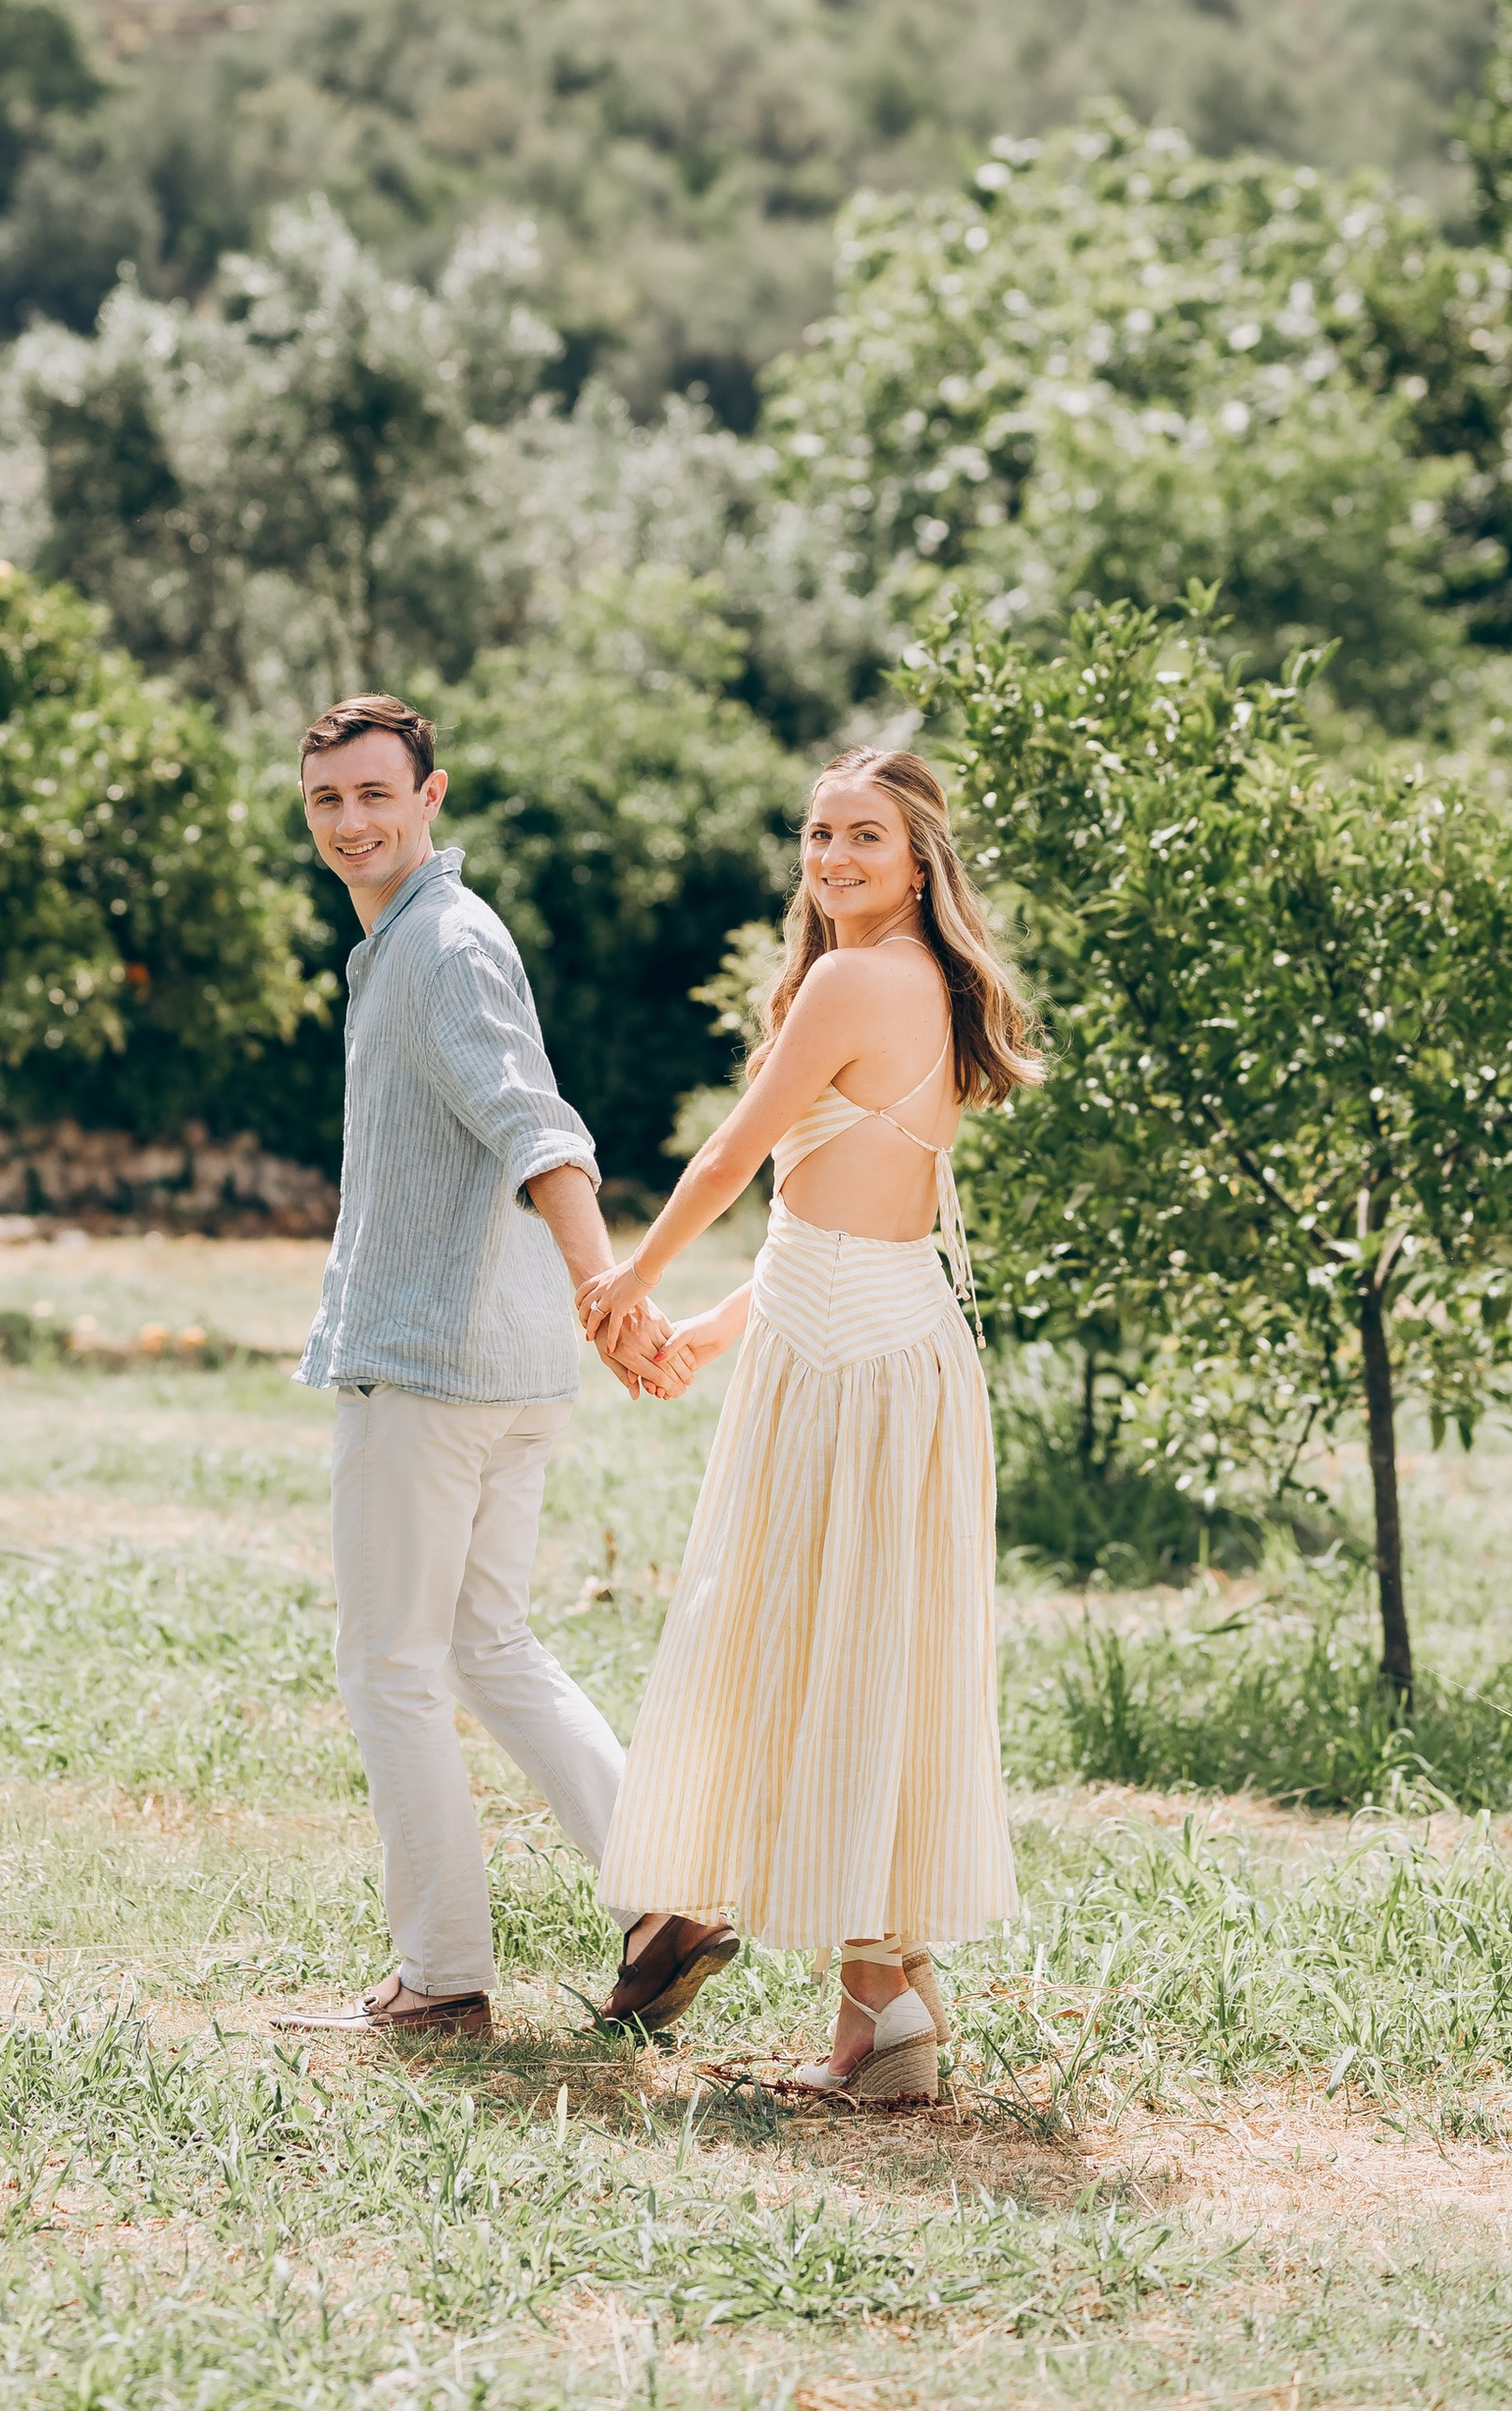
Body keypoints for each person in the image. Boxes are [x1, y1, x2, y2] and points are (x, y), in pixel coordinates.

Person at [576, 747, 1039, 2101]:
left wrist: (625, 1286)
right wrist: (711, 1332)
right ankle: (885, 2012)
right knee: (873, 1659)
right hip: (882, 1347)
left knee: (826, 1652)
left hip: (852, 1371)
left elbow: (735, 1157)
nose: (834, 857)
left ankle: (878, 2011)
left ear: (919, 860)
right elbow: (838, 1214)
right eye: (819, 834)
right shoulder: (930, 983)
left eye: (865, 837)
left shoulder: (852, 980)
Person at [273, 694, 731, 2042]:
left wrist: (605, 1285)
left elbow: (538, 1125)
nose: (351, 822)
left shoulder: (439, 943)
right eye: (327, 801)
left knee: (392, 1668)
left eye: (376, 794)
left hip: (432, 1366)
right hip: (501, 1367)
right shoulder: (418, 940)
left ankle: (439, 1980)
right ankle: (665, 1896)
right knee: (485, 1643)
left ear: (432, 796)